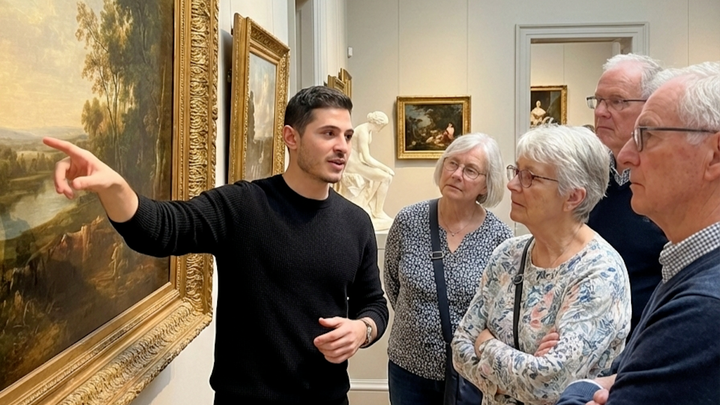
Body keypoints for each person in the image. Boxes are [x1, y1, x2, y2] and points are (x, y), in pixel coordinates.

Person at [43, 86, 389, 405]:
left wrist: (363, 330)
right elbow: (161, 229)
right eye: (328, 133)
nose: (343, 147)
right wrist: (115, 187)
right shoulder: (244, 206)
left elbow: (373, 304)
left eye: (346, 135)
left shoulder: (356, 222)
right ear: (291, 137)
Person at [556, 65, 720, 405]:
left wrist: (577, 390)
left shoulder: (703, 306)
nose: (627, 156)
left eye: (646, 136)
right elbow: (624, 370)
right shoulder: (684, 268)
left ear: (715, 154)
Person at [452, 125, 632, 405]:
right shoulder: (508, 255)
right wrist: (521, 371)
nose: (512, 185)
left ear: (573, 196)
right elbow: (460, 346)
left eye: (530, 177)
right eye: (516, 171)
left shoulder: (599, 272)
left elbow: (549, 384)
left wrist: (486, 343)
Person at [384, 133, 513, 405]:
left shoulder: (500, 238)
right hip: (408, 367)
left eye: (470, 170)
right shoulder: (408, 221)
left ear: (486, 185)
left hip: (470, 372)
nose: (456, 174)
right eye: (452, 163)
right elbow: (393, 284)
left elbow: (500, 310)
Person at [585, 53, 667, 337]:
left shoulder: (669, 185)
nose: (601, 111)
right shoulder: (586, 177)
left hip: (646, 340)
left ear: (651, 106)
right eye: (598, 100)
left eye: (617, 101)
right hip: (583, 337)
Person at [335, 111, 395, 230]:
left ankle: (372, 207)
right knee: (385, 177)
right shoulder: (363, 131)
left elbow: (364, 157)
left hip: (358, 162)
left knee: (381, 176)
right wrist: (385, 168)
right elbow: (367, 157)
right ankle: (378, 211)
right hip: (353, 164)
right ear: (377, 123)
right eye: (381, 126)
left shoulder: (368, 130)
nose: (380, 130)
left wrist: (376, 168)